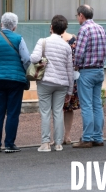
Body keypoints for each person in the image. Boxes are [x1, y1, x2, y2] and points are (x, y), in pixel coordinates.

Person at [0, 12, 30, 153]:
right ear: (14, 26)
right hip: (16, 80)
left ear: (2, 24)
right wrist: (25, 73)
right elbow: (26, 59)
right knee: (13, 112)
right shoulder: (19, 38)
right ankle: (9, 144)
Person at [31, 15, 74, 152]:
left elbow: (34, 58)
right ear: (63, 30)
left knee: (45, 112)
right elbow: (70, 70)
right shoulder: (66, 46)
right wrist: (70, 90)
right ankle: (58, 143)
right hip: (62, 83)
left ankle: (45, 143)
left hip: (45, 82)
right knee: (58, 112)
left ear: (51, 27)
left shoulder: (42, 41)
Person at [72, 5, 106, 148]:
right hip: (99, 70)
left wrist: (75, 65)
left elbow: (79, 53)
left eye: (77, 15)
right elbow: (105, 49)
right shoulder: (101, 28)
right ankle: (98, 137)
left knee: (86, 105)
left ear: (81, 15)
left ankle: (86, 138)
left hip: (86, 71)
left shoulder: (84, 29)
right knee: (97, 104)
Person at [61, 29, 80, 145]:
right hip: (72, 78)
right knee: (69, 108)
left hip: (58, 78)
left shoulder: (52, 41)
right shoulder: (74, 40)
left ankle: (57, 137)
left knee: (57, 109)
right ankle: (66, 136)